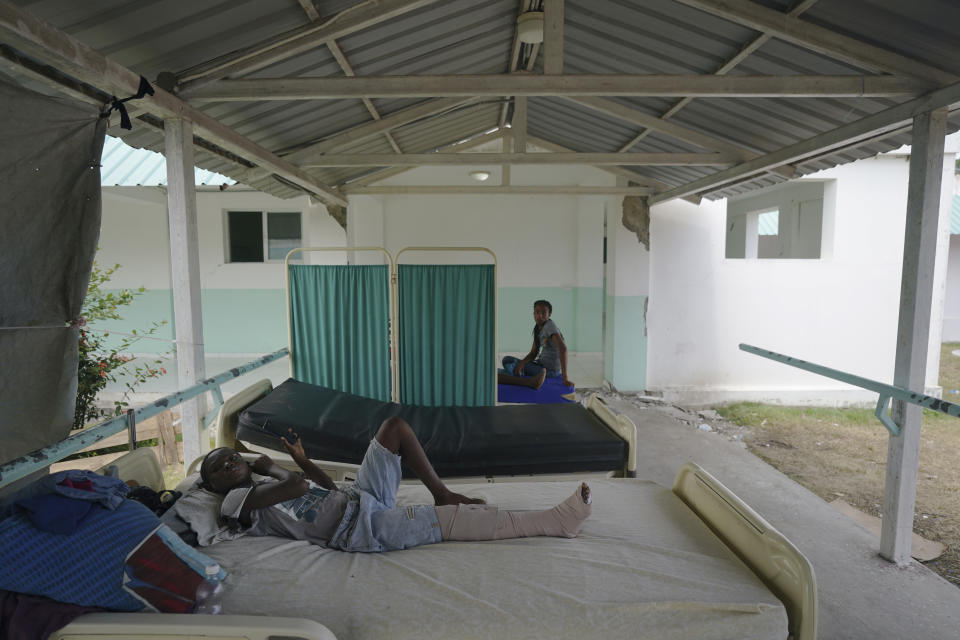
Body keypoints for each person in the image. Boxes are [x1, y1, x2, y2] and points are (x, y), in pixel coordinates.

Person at [189, 417, 592, 553]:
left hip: (356, 498)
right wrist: (265, 464)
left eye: (230, 456)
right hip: (357, 530)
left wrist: (303, 460)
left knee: (394, 428)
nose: (229, 462)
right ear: (213, 484)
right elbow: (294, 488)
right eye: (220, 466)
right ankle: (554, 522)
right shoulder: (235, 503)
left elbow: (316, 486)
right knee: (448, 521)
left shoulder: (259, 485)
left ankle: (442, 490)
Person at [499, 299, 574, 389]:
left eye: (543, 313)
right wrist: (522, 364)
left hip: (548, 371)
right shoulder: (538, 328)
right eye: (537, 312)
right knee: (507, 360)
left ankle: (529, 381)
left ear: (549, 314)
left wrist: (565, 378)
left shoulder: (549, 326)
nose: (540, 315)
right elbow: (533, 353)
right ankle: (517, 374)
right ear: (533, 314)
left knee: (508, 363)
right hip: (541, 366)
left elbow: (563, 349)